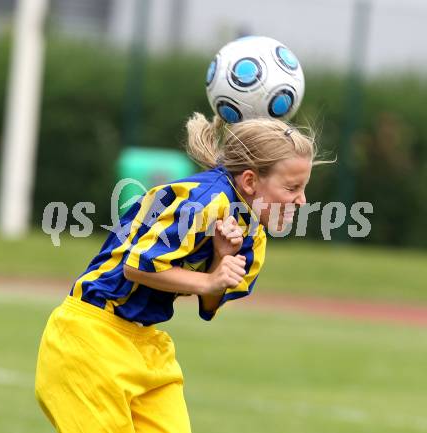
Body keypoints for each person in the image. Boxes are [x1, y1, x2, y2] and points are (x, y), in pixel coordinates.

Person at [35, 112, 317, 433]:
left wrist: (220, 260)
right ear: (250, 181)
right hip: (91, 338)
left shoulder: (252, 234)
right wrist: (210, 278)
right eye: (292, 187)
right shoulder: (204, 200)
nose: (302, 200)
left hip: (147, 346)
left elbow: (210, 306)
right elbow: (137, 267)